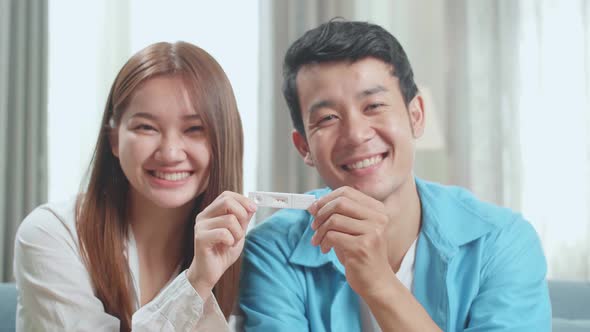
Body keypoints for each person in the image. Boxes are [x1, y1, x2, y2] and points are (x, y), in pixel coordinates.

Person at [239, 20, 551, 331]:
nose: (356, 134)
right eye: (328, 118)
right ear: (304, 146)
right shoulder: (271, 251)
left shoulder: (503, 241)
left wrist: (378, 282)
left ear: (416, 116)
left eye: (374, 105)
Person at [13, 41, 256, 331]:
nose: (170, 153)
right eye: (146, 127)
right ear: (114, 140)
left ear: (224, 140)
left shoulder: (250, 257)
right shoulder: (50, 234)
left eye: (194, 129)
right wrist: (195, 283)